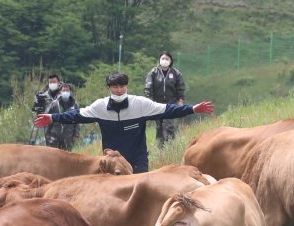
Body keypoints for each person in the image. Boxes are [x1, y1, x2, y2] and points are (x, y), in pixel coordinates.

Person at [34, 71, 214, 173]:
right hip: (112, 163)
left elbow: (168, 110)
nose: (119, 90)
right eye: (115, 86)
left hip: (137, 161)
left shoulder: (140, 104)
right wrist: (52, 117)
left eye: (122, 86)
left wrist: (192, 109)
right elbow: (75, 115)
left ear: (126, 86)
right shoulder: (100, 107)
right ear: (109, 88)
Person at [144, 52, 187, 147]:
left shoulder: (176, 73)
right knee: (159, 126)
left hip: (171, 103)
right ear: (159, 60)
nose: (164, 60)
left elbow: (180, 87)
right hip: (156, 103)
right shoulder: (153, 72)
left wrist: (180, 100)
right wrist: (148, 100)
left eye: (167, 59)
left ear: (170, 61)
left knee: (169, 125)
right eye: (163, 58)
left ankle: (171, 146)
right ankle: (160, 147)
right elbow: (148, 87)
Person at [44, 82, 80, 152]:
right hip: (55, 135)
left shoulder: (74, 105)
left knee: (67, 158)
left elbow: (78, 121)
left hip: (68, 137)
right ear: (60, 92)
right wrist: (47, 133)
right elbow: (48, 119)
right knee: (53, 156)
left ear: (70, 92)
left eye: (67, 90)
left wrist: (76, 134)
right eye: (64, 90)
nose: (65, 92)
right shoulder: (54, 104)